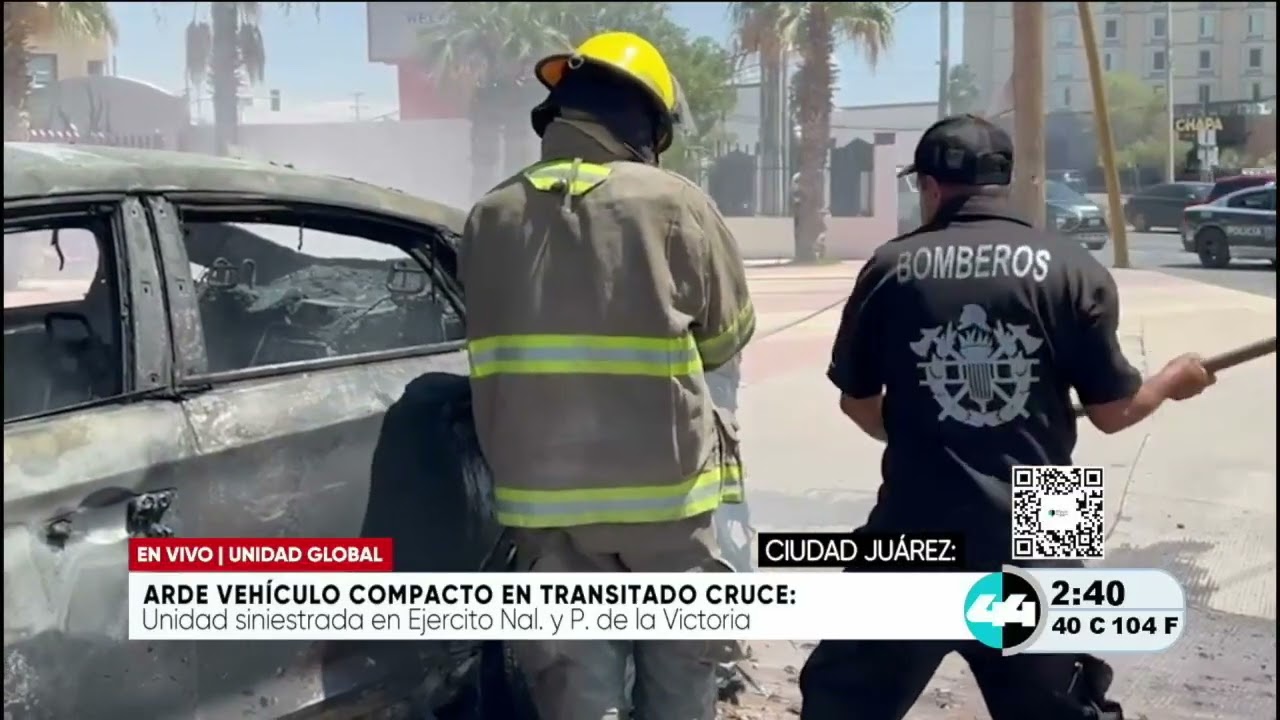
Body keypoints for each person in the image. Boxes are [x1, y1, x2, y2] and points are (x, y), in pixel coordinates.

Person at [799, 114, 1215, 720]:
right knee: (1058, 706)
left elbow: (857, 402)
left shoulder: (890, 267)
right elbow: (1115, 412)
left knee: (844, 703)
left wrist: (923, 432)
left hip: (919, 513)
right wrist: (1174, 379)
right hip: (1048, 514)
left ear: (931, 187)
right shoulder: (1074, 267)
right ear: (1004, 184)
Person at [459, 31, 756, 720]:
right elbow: (725, 341)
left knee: (577, 693)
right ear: (645, 121)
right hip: (666, 504)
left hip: (544, 509)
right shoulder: (676, 204)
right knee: (680, 678)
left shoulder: (487, 215)